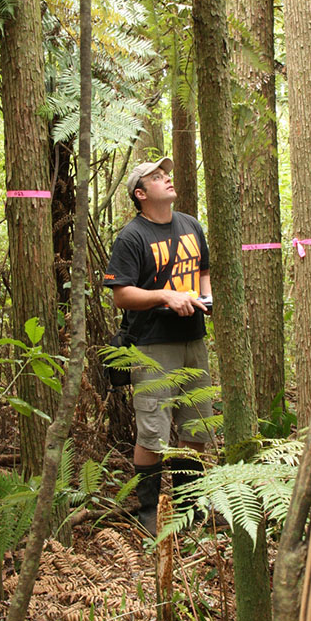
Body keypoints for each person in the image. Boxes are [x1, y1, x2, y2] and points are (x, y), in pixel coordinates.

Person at [103, 157, 214, 535]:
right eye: (156, 177)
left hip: (194, 340)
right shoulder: (131, 237)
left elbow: (203, 269)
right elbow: (121, 294)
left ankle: (188, 507)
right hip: (153, 344)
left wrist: (205, 298)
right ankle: (149, 510)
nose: (166, 178)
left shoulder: (191, 225)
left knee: (195, 427)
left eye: (167, 173)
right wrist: (165, 297)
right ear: (140, 193)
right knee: (153, 429)